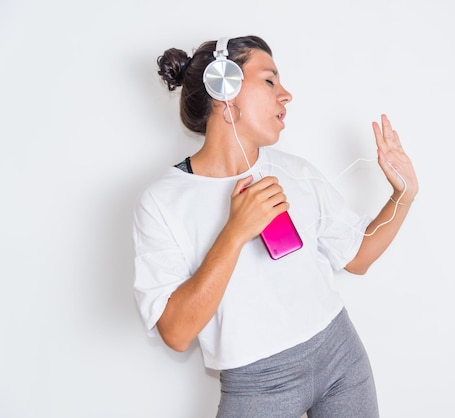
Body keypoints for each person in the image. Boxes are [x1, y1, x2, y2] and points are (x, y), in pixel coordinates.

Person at [133, 34, 418, 417]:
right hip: (256, 385)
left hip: (342, 361)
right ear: (223, 87)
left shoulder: (295, 170)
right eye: (269, 80)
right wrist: (234, 233)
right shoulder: (162, 201)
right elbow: (176, 333)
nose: (286, 95)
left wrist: (404, 195)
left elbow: (358, 257)